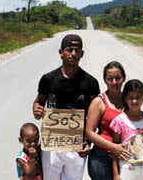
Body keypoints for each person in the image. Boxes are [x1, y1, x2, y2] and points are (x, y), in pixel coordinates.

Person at [32, 34, 100, 180]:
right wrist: (36, 109)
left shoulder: (90, 83)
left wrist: (88, 142)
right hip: (52, 145)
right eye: (69, 49)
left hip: (77, 146)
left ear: (82, 54)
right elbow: (39, 101)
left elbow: (97, 115)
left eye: (77, 50)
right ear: (61, 52)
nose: (73, 54)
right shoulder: (48, 79)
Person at [86, 62, 143, 180]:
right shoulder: (99, 102)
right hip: (102, 158)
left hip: (128, 160)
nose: (114, 82)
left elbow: (139, 125)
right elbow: (90, 132)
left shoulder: (130, 98)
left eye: (118, 78)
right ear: (105, 80)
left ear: (123, 78)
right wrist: (114, 147)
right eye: (110, 79)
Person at [110, 79, 143, 180]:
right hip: (128, 172)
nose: (134, 101)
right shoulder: (120, 121)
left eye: (138, 97)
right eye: (131, 98)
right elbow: (114, 149)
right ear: (125, 98)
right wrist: (116, 174)